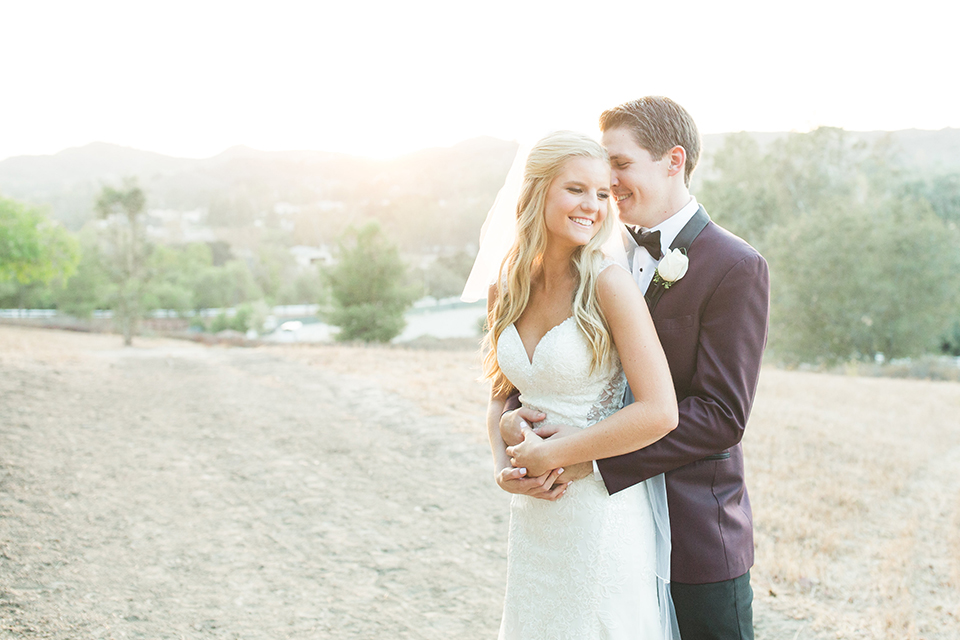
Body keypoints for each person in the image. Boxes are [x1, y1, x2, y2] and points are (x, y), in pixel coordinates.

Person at [501, 97, 770, 640]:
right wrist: (516, 424)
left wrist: (589, 459)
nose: (607, 183)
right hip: (583, 514)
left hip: (691, 528)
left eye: (619, 166)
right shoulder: (591, 247)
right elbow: (550, 368)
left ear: (673, 161)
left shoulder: (734, 265)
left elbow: (720, 414)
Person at [479, 130, 680, 639]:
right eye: (576, 189)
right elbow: (502, 394)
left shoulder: (608, 284)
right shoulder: (506, 287)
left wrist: (556, 452)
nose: (592, 205)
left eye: (602, 193)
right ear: (537, 191)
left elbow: (660, 411)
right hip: (535, 513)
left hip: (599, 512)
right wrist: (506, 469)